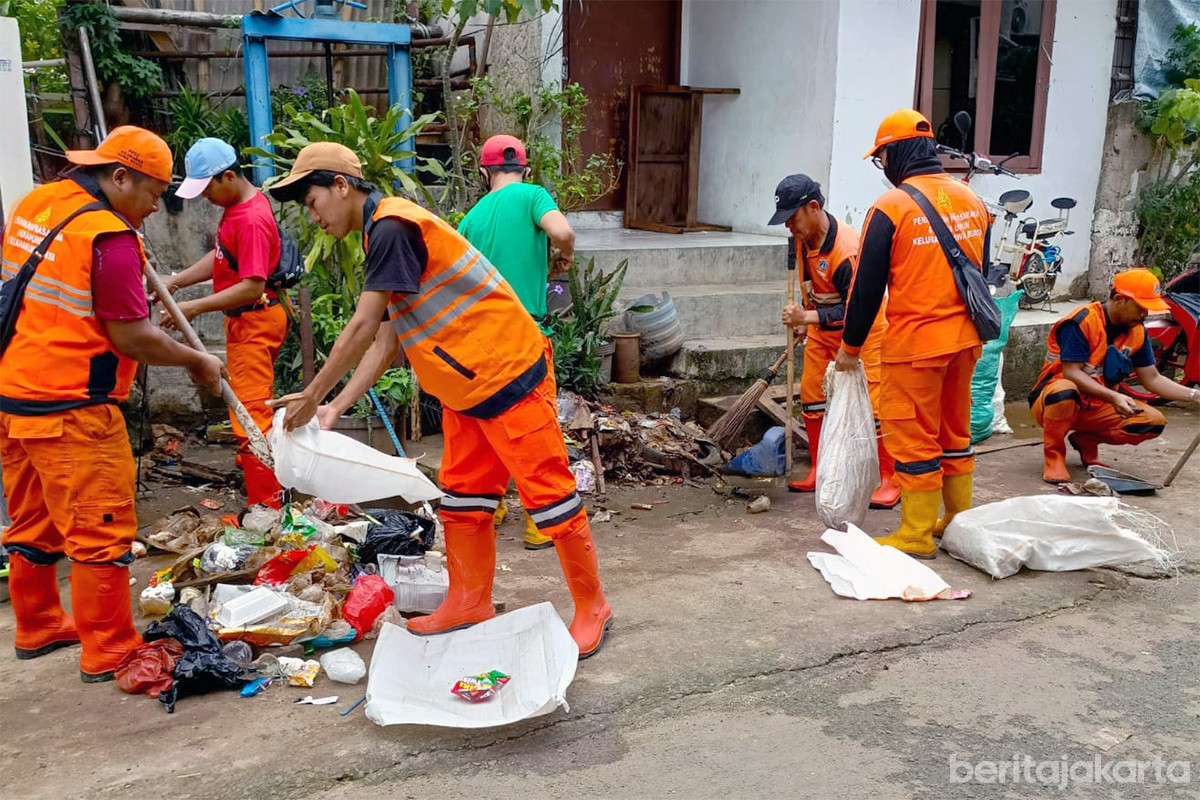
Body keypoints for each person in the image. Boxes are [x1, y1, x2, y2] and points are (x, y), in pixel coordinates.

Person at [266, 142, 613, 658]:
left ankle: (592, 607)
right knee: (464, 501)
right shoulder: (383, 233)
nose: (313, 217)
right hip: (467, 388)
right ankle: (469, 601)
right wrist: (334, 408)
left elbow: (362, 327)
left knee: (550, 499)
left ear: (341, 186)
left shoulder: (392, 228)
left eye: (312, 202)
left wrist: (314, 391)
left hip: (509, 376)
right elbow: (386, 342)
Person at [0, 126, 224, 682]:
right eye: (153, 193)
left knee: (33, 519)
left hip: (15, 393)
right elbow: (132, 336)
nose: (154, 207)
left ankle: (38, 623)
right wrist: (196, 361)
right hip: (73, 405)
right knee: (100, 527)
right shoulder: (110, 236)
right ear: (120, 177)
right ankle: (111, 648)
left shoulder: (39, 202)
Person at [835, 109, 991, 559]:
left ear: (894, 153)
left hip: (917, 346)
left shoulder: (892, 207)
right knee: (954, 432)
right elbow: (979, 270)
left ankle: (917, 533)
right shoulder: (972, 200)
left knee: (912, 436)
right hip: (966, 340)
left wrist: (850, 348)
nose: (881, 166)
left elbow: (866, 289)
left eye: (881, 157)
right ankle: (955, 520)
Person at [457, 134, 577, 549]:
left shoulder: (470, 220)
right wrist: (565, 253)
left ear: (483, 172)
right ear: (525, 169)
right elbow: (562, 230)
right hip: (524, 335)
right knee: (533, 428)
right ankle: (538, 523)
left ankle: (490, 509)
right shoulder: (532, 196)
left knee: (489, 423)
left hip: (480, 339)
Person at [160, 137, 289, 509]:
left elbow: (251, 286)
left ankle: (266, 510)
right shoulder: (238, 207)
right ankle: (257, 481)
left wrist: (193, 307)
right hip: (248, 321)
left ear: (228, 176)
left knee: (250, 419)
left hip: (255, 321)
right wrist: (176, 282)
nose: (205, 196)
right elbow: (223, 258)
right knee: (247, 409)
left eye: (207, 188)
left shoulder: (250, 219)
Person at [771, 174, 899, 508]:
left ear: (813, 207)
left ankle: (890, 478)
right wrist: (806, 317)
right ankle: (819, 468)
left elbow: (856, 309)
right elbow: (811, 284)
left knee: (876, 405)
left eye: (792, 218)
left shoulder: (846, 251)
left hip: (865, 332)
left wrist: (806, 317)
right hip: (822, 331)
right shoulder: (802, 241)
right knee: (812, 394)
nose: (788, 226)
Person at [1030, 268, 1199, 483]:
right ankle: (1054, 456)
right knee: (1065, 391)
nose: (1145, 315)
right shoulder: (1082, 322)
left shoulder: (1137, 330)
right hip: (1054, 402)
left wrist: (1194, 395)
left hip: (1096, 404)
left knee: (1152, 422)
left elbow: (1152, 379)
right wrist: (1114, 397)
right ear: (1119, 300)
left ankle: (1085, 440)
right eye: (1141, 308)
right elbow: (1071, 373)